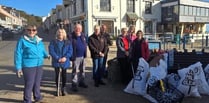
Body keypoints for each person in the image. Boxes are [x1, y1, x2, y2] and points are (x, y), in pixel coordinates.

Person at [14, 25, 49, 103]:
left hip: (39, 64)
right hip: (28, 65)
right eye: (29, 30)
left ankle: (37, 97)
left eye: (33, 30)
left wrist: (46, 55)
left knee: (37, 83)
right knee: (29, 84)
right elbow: (18, 54)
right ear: (26, 30)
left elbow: (42, 50)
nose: (31, 31)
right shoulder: (22, 40)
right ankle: (27, 100)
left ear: (36, 31)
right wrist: (18, 67)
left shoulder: (39, 40)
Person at [48, 28, 73, 96]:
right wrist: (57, 58)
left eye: (62, 32)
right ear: (57, 33)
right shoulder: (53, 42)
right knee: (57, 75)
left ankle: (63, 88)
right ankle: (58, 88)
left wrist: (65, 57)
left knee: (64, 75)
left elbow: (70, 51)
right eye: (59, 32)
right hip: (57, 61)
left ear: (64, 34)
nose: (60, 34)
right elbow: (51, 50)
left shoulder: (68, 42)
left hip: (65, 61)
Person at [68, 24, 88, 92]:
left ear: (81, 29)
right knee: (75, 72)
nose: (78, 29)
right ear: (74, 29)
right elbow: (69, 46)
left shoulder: (83, 35)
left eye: (79, 28)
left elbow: (85, 44)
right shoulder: (71, 36)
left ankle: (81, 82)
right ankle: (74, 85)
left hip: (83, 56)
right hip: (75, 57)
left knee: (82, 71)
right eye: (76, 28)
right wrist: (70, 58)